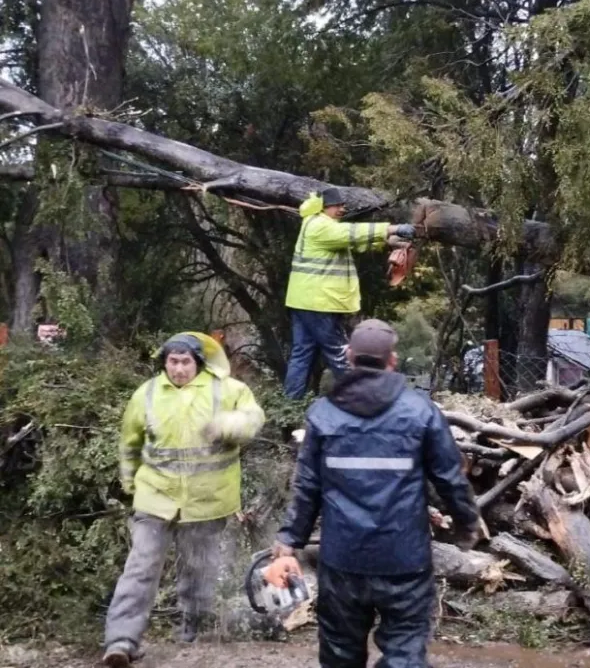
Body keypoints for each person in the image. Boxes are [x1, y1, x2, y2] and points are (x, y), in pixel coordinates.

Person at [272, 319, 481, 668]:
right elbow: (449, 478)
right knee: (405, 654)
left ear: (349, 357)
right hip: (404, 561)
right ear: (393, 361)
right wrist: (466, 525)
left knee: (340, 654)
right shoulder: (421, 412)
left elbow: (308, 487)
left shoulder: (323, 415)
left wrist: (290, 538)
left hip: (342, 562)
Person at [103, 332, 266, 668]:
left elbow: (253, 420)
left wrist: (227, 424)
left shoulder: (227, 390)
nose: (178, 369)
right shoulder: (146, 394)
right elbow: (129, 445)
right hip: (155, 498)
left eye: (185, 362)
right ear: (164, 362)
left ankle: (191, 630)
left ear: (198, 362)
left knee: (199, 570)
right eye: (172, 362)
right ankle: (121, 642)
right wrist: (131, 484)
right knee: (140, 569)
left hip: (208, 501)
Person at [283, 187, 416, 399]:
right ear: (323, 207)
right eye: (337, 205)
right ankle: (362, 399)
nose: (342, 209)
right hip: (319, 302)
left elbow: (351, 242)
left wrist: (388, 241)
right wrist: (393, 228)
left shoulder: (316, 224)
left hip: (304, 301)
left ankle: (289, 406)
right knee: (340, 353)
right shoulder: (319, 226)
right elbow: (350, 233)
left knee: (302, 355)